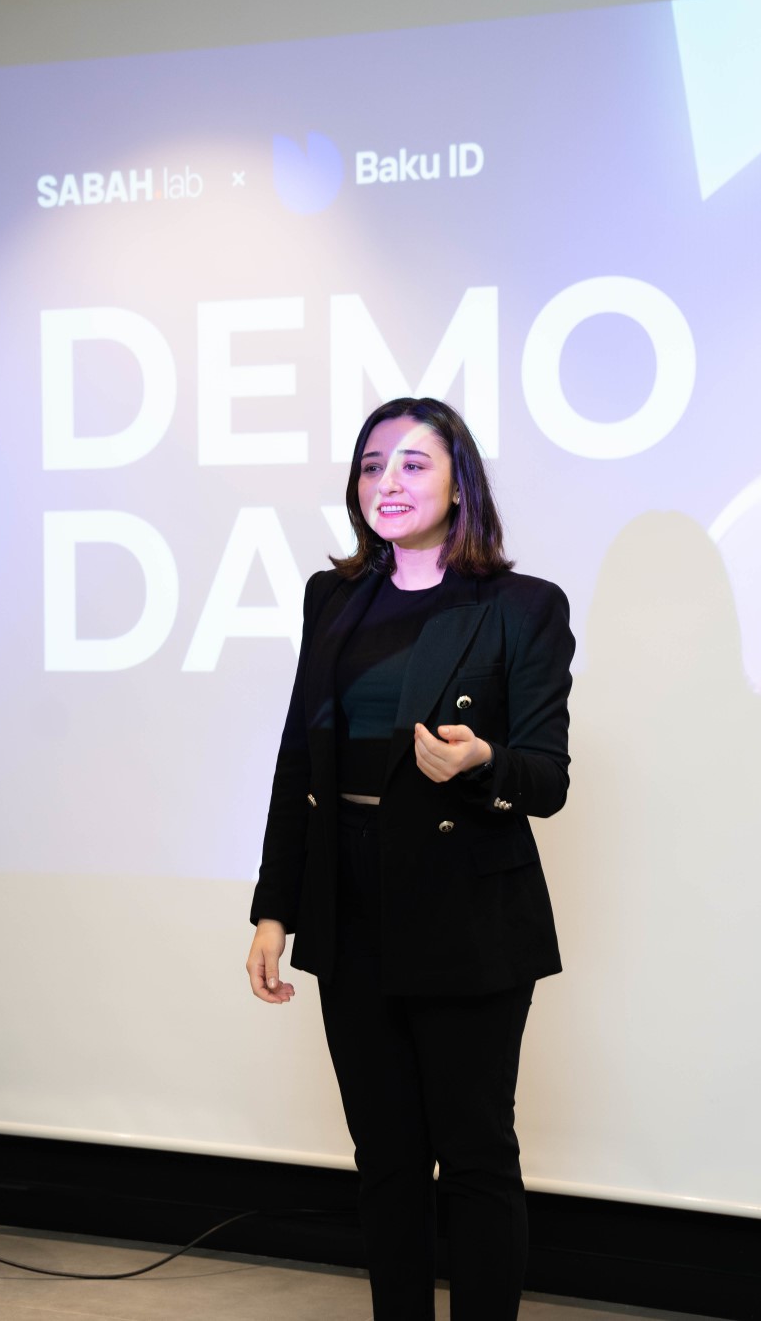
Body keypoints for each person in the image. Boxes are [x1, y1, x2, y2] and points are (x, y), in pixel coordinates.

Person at [246, 396, 574, 1321]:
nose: (386, 482)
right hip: (349, 901)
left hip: (466, 910)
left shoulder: (521, 607)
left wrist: (482, 763)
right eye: (371, 465)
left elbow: (547, 778)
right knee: (385, 1159)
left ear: (461, 485)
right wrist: (274, 909)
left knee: (474, 1158)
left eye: (413, 464)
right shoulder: (334, 599)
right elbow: (300, 759)